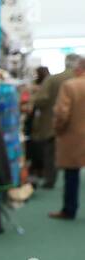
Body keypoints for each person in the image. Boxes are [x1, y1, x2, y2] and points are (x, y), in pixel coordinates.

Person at [31, 54, 79, 190]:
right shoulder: (79, 80)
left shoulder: (54, 79)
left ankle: (50, 179)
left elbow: (41, 99)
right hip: (78, 125)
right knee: (75, 154)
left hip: (53, 121)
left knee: (51, 152)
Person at [50, 55, 85, 220]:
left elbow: (62, 112)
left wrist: (58, 129)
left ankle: (69, 209)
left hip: (73, 135)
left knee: (71, 174)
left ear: (78, 68)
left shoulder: (70, 86)